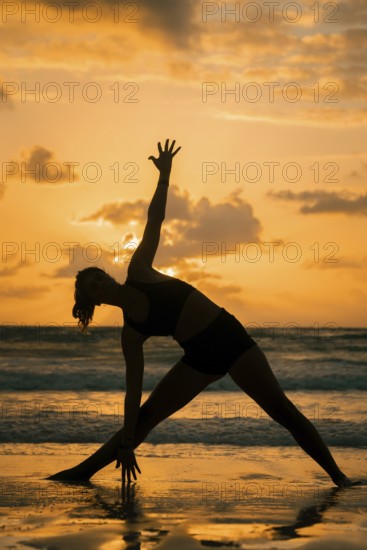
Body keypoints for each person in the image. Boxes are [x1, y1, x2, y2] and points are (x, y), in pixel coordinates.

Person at [48, 139, 355, 488]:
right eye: (93, 288)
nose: (100, 285)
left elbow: (155, 220)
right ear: (95, 301)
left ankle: (339, 477)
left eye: (99, 278)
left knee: (282, 411)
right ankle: (81, 473)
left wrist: (164, 177)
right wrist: (128, 442)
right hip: (198, 357)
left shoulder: (140, 271)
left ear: (109, 276)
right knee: (145, 415)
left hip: (229, 338)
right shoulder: (131, 332)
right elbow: (132, 393)